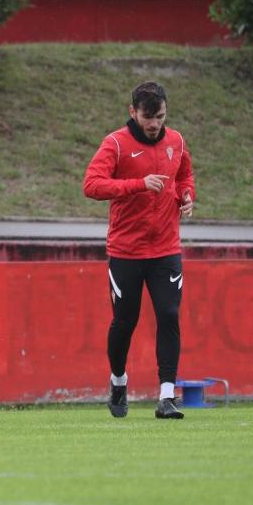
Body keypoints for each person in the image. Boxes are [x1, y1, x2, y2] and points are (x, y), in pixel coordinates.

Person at [83, 81, 195, 420]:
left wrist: (186, 197)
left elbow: (184, 176)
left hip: (165, 249)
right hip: (126, 251)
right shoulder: (115, 143)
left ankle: (166, 397)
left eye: (160, 116)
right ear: (133, 112)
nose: (154, 124)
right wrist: (138, 184)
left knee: (169, 315)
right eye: (148, 117)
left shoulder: (176, 141)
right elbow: (91, 185)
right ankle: (118, 381)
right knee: (124, 322)